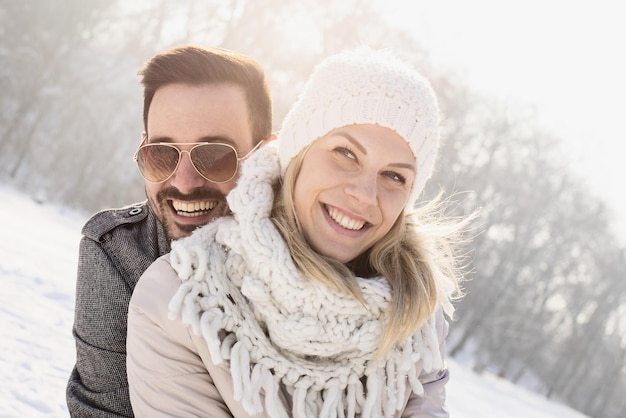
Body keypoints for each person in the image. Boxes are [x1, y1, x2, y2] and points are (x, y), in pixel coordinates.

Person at [127, 47, 472, 417]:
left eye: (394, 176)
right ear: (297, 153)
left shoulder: (416, 313)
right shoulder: (180, 298)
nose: (364, 194)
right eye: (347, 154)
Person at [66, 45, 274, 417]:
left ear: (265, 156)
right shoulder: (116, 254)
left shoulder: (316, 249)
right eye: (163, 154)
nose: (185, 182)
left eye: (215, 156)